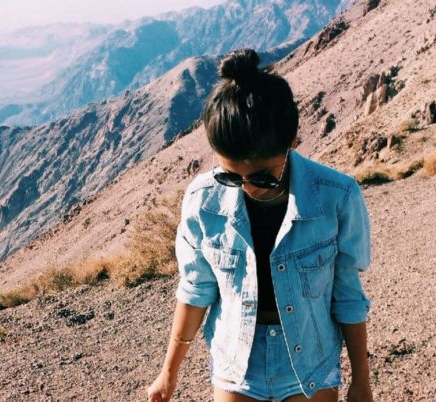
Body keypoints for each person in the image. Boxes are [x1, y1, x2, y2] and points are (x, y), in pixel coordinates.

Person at [146, 48, 373, 402]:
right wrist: (168, 373)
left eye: (262, 177)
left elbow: (347, 295)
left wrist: (361, 379)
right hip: (236, 365)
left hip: (311, 364)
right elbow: (195, 290)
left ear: (292, 142)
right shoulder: (202, 200)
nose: (247, 189)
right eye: (230, 177)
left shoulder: (338, 197)